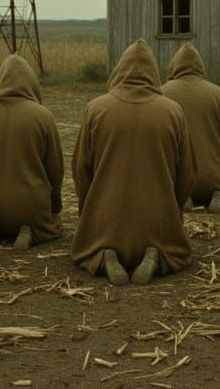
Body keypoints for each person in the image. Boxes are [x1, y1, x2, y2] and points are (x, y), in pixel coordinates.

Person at [71, 40, 196, 286]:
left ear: (119, 71)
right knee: (174, 250)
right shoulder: (173, 111)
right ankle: (157, 254)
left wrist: (89, 211)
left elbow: (80, 170)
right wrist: (174, 211)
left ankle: (105, 254)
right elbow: (187, 175)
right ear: (154, 73)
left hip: (105, 224)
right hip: (158, 224)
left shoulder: (95, 109)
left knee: (93, 245)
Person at [0, 54, 63, 249]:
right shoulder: (42, 116)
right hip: (29, 207)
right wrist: (55, 200)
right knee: (52, 225)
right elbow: (55, 167)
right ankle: (29, 230)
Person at [161, 42, 220, 212]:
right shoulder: (216, 92)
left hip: (179, 175)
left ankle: (185, 196)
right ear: (201, 66)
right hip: (213, 176)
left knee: (173, 180)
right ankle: (218, 194)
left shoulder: (163, 93)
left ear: (174, 66)